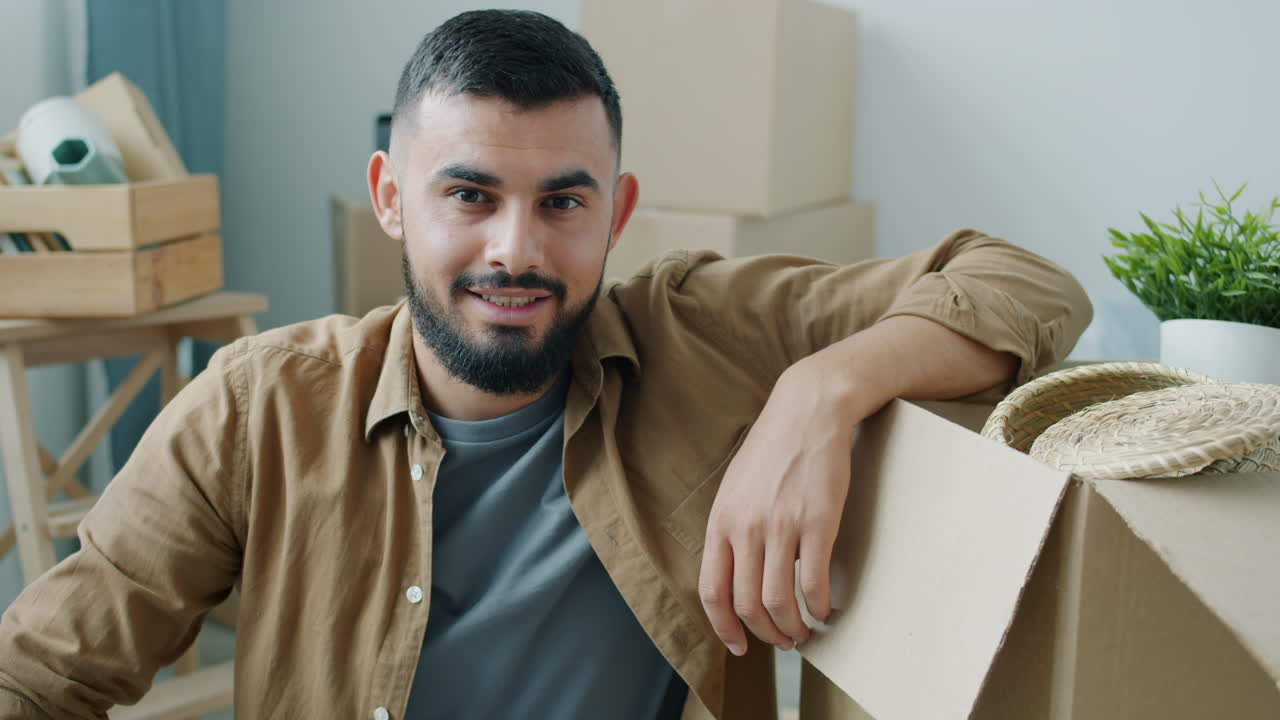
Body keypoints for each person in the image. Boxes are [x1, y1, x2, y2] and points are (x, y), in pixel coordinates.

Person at [0, 9, 1091, 720]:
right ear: (390, 196)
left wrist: (820, 392)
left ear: (614, 210)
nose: (515, 250)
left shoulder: (699, 333)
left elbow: (1025, 283)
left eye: (561, 202)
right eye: (468, 195)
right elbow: (42, 673)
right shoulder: (258, 408)